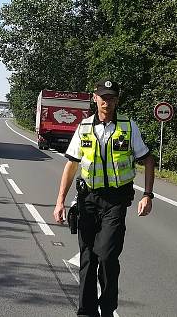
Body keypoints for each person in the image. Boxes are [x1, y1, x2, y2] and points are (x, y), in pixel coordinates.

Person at [53, 79, 156, 317]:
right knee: (87, 257)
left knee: (108, 256)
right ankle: (87, 311)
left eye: (111, 97)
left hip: (116, 201)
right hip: (88, 200)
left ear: (117, 100)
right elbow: (71, 164)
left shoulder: (129, 127)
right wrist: (60, 201)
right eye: (103, 97)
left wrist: (147, 195)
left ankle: (107, 308)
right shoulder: (84, 127)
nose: (106, 102)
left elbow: (148, 160)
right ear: (94, 98)